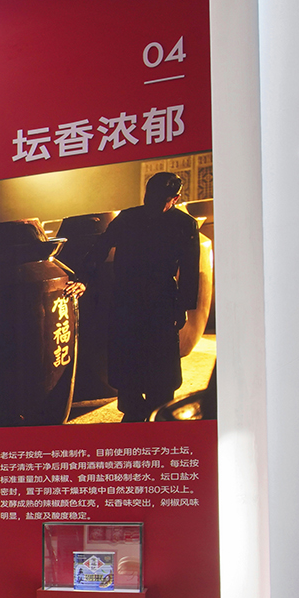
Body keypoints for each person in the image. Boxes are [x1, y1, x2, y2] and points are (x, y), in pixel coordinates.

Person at [95, 172, 203, 423]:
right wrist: (83, 278)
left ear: (175, 199)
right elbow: (100, 247)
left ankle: (158, 410)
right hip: (127, 298)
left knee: (161, 363)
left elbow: (189, 270)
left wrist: (183, 307)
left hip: (162, 301)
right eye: (150, 196)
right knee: (128, 359)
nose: (153, 203)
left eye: (161, 199)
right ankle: (132, 410)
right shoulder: (127, 218)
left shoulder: (184, 224)